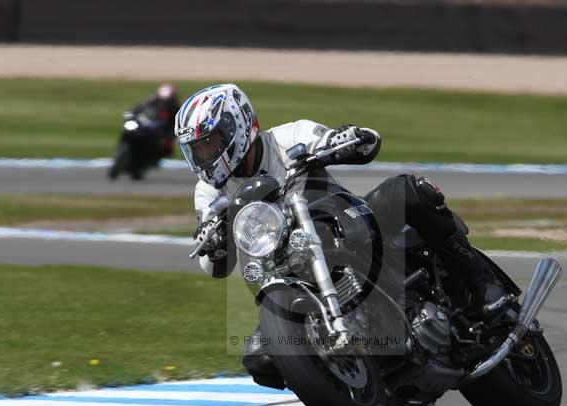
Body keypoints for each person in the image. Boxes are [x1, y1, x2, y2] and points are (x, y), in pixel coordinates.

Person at [174, 83, 504, 383]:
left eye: (209, 144)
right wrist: (214, 241)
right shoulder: (208, 193)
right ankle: (346, 372)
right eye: (197, 150)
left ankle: (481, 280)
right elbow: (213, 264)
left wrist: (344, 139)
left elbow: (366, 142)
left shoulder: (289, 136)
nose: (204, 157)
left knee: (408, 191)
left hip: (346, 225)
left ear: (238, 126)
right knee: (260, 359)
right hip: (287, 270)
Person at [134, 83, 181, 158]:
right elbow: (139, 109)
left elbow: (175, 127)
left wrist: (167, 137)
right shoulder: (151, 102)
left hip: (163, 133)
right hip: (150, 127)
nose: (165, 104)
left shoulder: (176, 110)